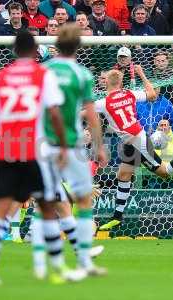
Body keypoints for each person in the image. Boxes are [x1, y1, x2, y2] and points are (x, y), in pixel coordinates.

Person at [0, 31, 84, 286]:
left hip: (6, 151)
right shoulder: (42, 75)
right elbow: (55, 113)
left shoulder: (0, 77)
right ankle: (58, 268)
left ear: (14, 50)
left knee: (2, 208)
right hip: (34, 151)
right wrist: (61, 145)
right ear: (35, 51)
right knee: (48, 207)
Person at [96, 69, 173, 230]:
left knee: (165, 172)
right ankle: (117, 217)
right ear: (120, 83)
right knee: (123, 174)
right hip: (134, 140)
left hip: (138, 142)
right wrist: (141, 73)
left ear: (105, 83)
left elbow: (84, 113)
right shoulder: (130, 94)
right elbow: (152, 94)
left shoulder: (103, 103)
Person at [39, 23, 108, 277]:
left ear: (56, 46)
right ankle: (83, 256)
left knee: (52, 203)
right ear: (78, 47)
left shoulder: (43, 70)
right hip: (72, 144)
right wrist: (99, 147)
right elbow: (92, 115)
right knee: (83, 197)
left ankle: (51, 261)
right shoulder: (82, 75)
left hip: (43, 144)